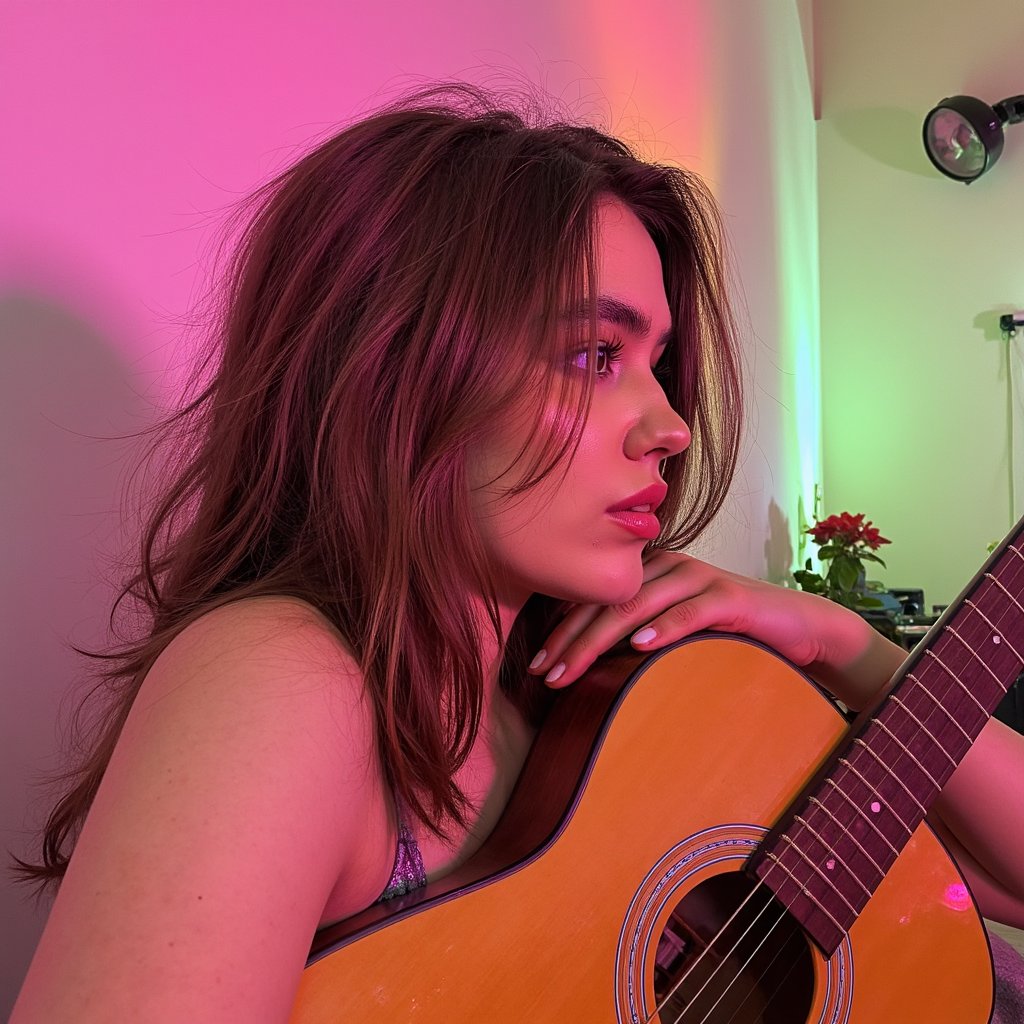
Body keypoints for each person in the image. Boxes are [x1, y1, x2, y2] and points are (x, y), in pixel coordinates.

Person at [10, 83, 1024, 1022]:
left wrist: (835, 634)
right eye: (594, 355)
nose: (670, 425)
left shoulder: (598, 694)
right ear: (394, 376)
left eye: (657, 364)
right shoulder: (283, 680)